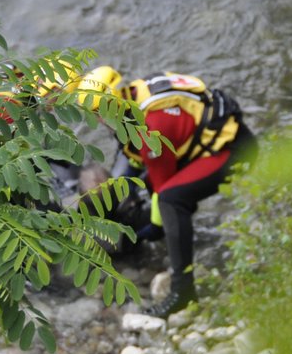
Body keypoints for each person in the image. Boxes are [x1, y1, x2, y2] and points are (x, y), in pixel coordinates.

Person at [79, 69, 253, 316]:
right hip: (203, 140)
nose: (95, 120)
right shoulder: (134, 95)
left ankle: (183, 292)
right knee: (154, 188)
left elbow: (163, 190)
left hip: (232, 152)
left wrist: (149, 230)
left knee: (173, 199)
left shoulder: (149, 128)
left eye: (96, 112)